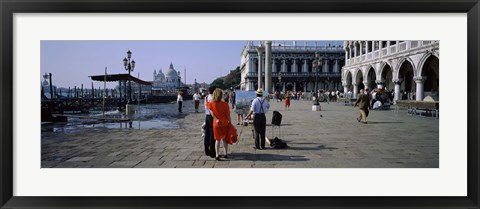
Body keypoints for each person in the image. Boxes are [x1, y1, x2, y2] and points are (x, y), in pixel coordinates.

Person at [206, 88, 232, 160]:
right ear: (221, 95)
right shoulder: (225, 104)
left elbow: (210, 111)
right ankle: (225, 153)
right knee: (224, 139)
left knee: (217, 140)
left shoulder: (211, 104)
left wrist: (216, 118)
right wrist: (230, 122)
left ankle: (217, 154)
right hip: (224, 123)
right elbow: (228, 115)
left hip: (216, 123)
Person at [204, 86, 216, 158]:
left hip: (207, 116)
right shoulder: (213, 98)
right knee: (212, 134)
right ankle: (212, 151)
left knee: (207, 134)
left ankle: (206, 150)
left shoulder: (206, 97)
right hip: (212, 116)